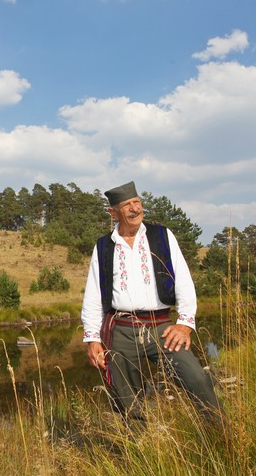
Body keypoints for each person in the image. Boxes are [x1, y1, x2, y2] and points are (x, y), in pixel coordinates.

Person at [81, 181, 221, 422]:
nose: (135, 209)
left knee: (197, 379)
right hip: (121, 329)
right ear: (113, 213)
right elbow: (93, 295)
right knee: (127, 398)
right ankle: (139, 442)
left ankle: (221, 433)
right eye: (127, 205)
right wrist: (93, 339)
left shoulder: (162, 236)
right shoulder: (104, 246)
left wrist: (185, 323)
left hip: (161, 327)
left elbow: (183, 281)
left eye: (137, 202)